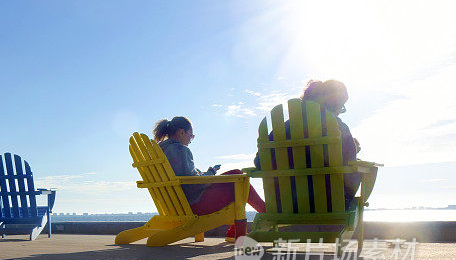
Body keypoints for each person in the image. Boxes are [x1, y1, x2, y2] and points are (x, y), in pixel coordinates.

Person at [254, 79, 361, 209]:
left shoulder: (282, 129)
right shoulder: (339, 128)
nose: (341, 111)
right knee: (363, 168)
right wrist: (354, 150)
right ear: (336, 104)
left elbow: (260, 162)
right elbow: (349, 163)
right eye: (342, 106)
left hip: (286, 206)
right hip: (329, 205)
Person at [153, 116, 266, 239]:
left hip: (177, 204)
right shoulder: (180, 149)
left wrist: (209, 172)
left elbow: (185, 177)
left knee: (236, 177)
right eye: (191, 135)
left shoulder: (161, 150)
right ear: (181, 132)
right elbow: (192, 184)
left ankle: (239, 228)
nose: (191, 140)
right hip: (193, 204)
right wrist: (211, 174)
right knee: (239, 178)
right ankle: (265, 212)